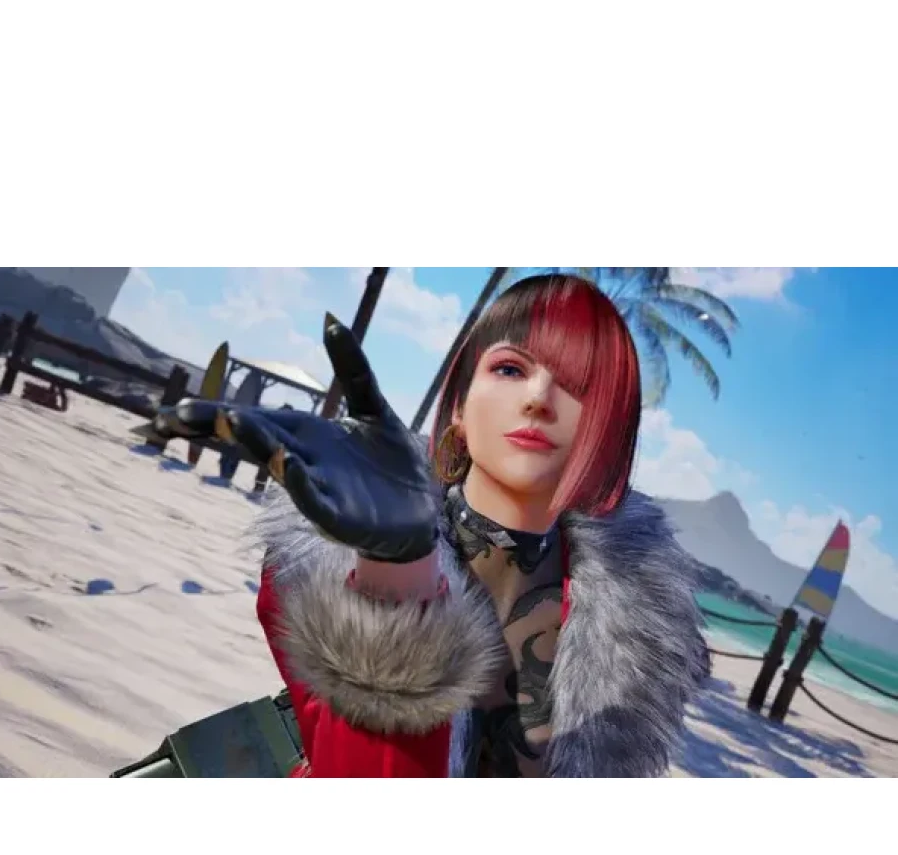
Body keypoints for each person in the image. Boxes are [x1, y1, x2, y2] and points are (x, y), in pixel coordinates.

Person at [160, 272, 707, 778]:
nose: (538, 398)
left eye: (580, 385)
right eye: (510, 369)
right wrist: (395, 579)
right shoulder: (328, 562)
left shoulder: (642, 634)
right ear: (460, 405)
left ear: (611, 432)